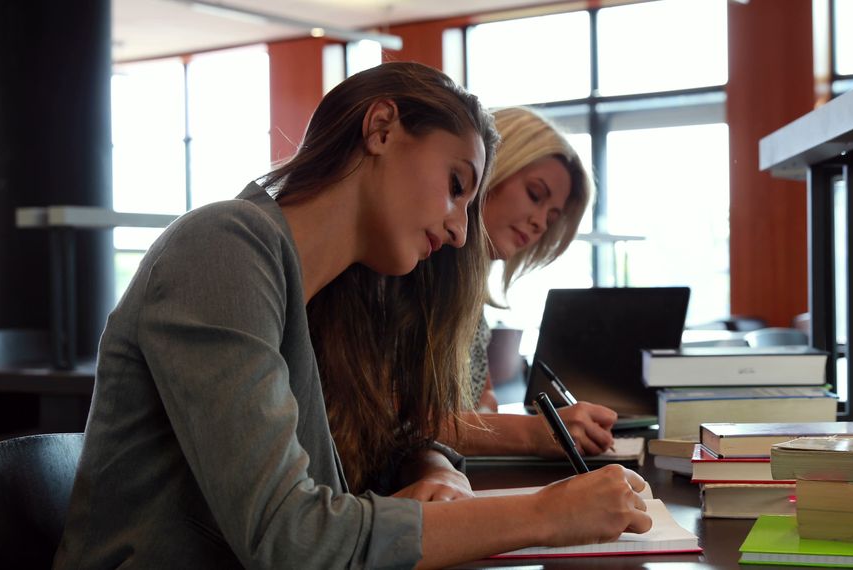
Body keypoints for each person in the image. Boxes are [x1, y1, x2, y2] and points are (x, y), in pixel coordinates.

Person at [53, 62, 651, 569]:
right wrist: (544, 515)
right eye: (455, 183)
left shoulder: (336, 294)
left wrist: (435, 465)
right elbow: (290, 539)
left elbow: (391, 439)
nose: (460, 228)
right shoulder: (224, 246)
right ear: (382, 128)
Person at [438, 106, 620, 458]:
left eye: (552, 218)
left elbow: (481, 403)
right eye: (535, 194)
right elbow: (398, 424)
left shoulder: (468, 299)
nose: (540, 223)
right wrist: (536, 431)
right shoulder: (410, 275)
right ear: (488, 170)